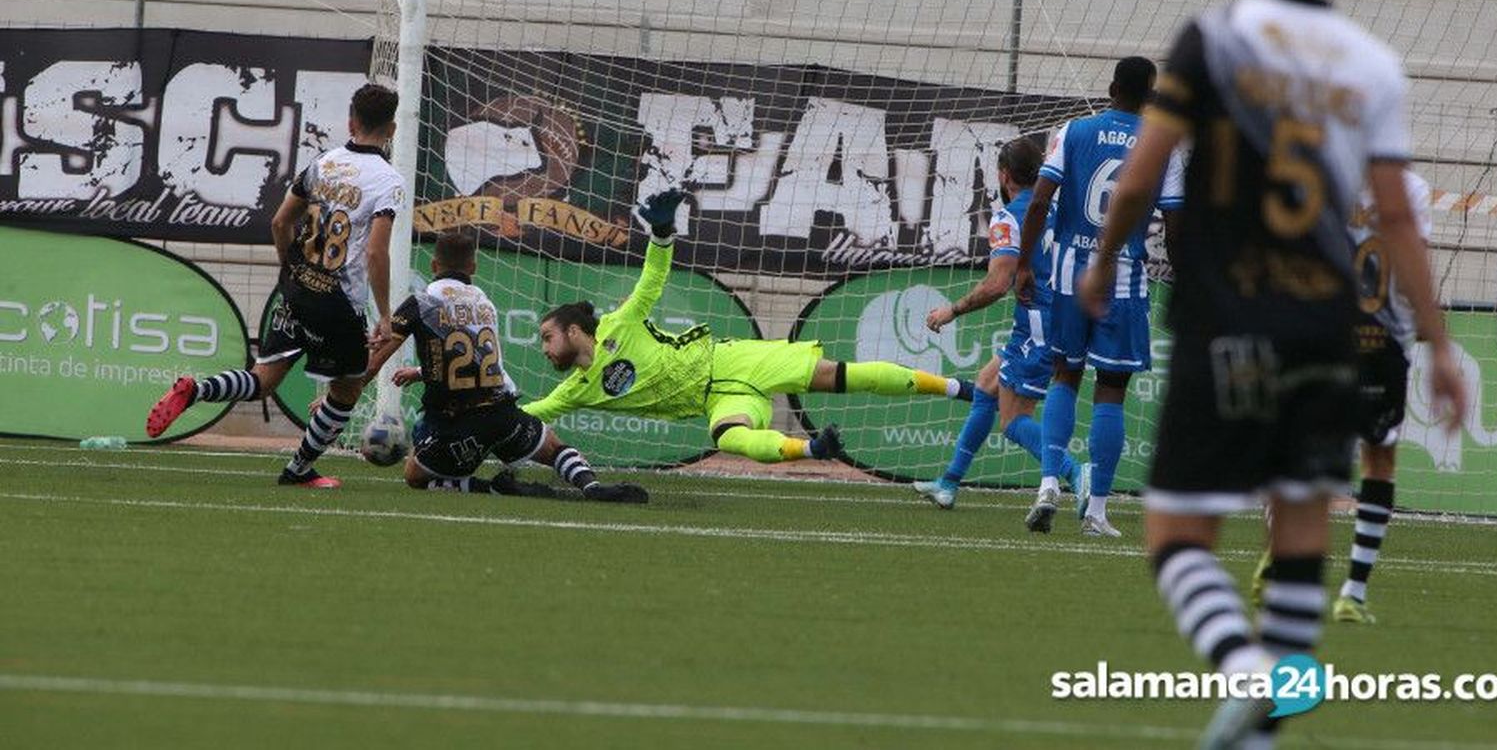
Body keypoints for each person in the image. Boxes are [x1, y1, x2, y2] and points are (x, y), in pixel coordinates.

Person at [1077, 0, 1466, 749]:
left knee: (1177, 533)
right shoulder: (1370, 64)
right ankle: (1261, 728)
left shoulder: (1213, 40)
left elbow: (1142, 173)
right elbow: (1399, 217)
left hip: (1227, 315)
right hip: (1330, 326)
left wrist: (1105, 259)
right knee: (1298, 537)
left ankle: (1243, 671)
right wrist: (1437, 343)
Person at [523, 190, 973, 464]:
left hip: (732, 358)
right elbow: (530, 415)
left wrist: (661, 234)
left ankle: (956, 387)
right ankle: (811, 451)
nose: (544, 347)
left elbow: (651, 278)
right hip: (717, 398)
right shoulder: (576, 390)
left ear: (575, 330)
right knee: (730, 437)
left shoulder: (621, 324)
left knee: (840, 376)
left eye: (548, 336)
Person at [145, 83, 408, 489]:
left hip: (297, 287)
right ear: (391, 130)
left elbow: (280, 222)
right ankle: (299, 470)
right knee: (347, 391)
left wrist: (292, 273)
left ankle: (196, 389)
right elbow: (375, 253)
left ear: (350, 122)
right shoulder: (388, 181)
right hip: (337, 303)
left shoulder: (323, 164)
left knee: (263, 379)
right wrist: (386, 316)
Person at [1252, 168, 1435, 623]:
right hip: (1382, 340)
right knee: (1379, 458)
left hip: (1319, 333)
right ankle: (1352, 593)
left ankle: (1282, 552)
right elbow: (1414, 258)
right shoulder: (1409, 189)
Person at [1014, 57, 1184, 536]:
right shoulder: (1163, 147)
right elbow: (1174, 225)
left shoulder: (1073, 131)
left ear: (1110, 88)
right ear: (1151, 97)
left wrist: (1025, 264)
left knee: (1064, 374)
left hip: (1068, 274)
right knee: (1111, 388)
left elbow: (1041, 200)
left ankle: (1049, 482)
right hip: (1122, 278)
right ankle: (1097, 512)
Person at [364, 231, 646, 503]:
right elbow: (470, 356)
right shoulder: (484, 302)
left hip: (460, 425)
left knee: (414, 475)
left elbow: (376, 362)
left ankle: (492, 488)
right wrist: (421, 372)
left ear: (434, 265)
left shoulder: (421, 301)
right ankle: (591, 485)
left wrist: (337, 398)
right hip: (502, 413)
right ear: (473, 267)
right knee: (553, 448)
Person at [913, 137, 1061, 509]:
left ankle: (1077, 474)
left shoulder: (1009, 217)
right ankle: (949, 483)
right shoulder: (1059, 206)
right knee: (985, 385)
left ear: (1003, 175)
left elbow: (998, 283)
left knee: (1012, 421)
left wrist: (952, 310)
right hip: (1062, 315)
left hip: (1039, 323)